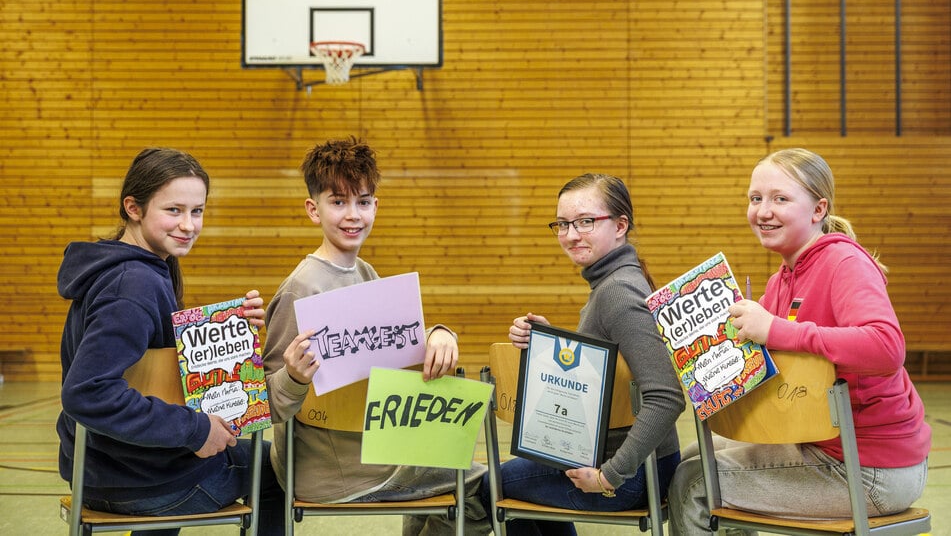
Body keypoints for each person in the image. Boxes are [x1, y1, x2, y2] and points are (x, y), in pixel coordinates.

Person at [667, 147, 932, 535]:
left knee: (695, 482)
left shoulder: (845, 263)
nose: (763, 211)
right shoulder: (781, 280)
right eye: (755, 199)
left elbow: (887, 347)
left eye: (780, 199)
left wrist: (774, 330)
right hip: (821, 445)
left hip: (872, 469)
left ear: (818, 209)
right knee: (696, 456)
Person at [261, 136, 491, 535]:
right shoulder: (301, 289)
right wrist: (294, 378)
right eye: (338, 202)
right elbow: (265, 403)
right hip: (330, 468)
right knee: (485, 488)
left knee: (442, 457)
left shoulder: (366, 273)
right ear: (313, 210)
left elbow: (402, 349)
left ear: (375, 207)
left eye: (363, 202)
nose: (353, 215)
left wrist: (439, 333)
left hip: (375, 447)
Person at [56, 147, 286, 535]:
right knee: (280, 470)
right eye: (174, 210)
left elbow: (155, 365)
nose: (188, 225)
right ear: (134, 207)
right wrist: (193, 430)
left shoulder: (134, 269)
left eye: (197, 211)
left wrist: (230, 329)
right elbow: (87, 393)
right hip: (137, 480)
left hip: (113, 470)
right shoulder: (132, 286)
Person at [480, 173, 686, 536]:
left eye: (586, 221)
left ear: (620, 225)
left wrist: (609, 476)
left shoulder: (618, 292)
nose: (571, 234)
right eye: (562, 224)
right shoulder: (613, 282)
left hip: (632, 470)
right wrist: (551, 340)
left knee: (485, 484)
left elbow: (666, 397)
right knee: (519, 488)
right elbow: (613, 368)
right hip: (626, 460)